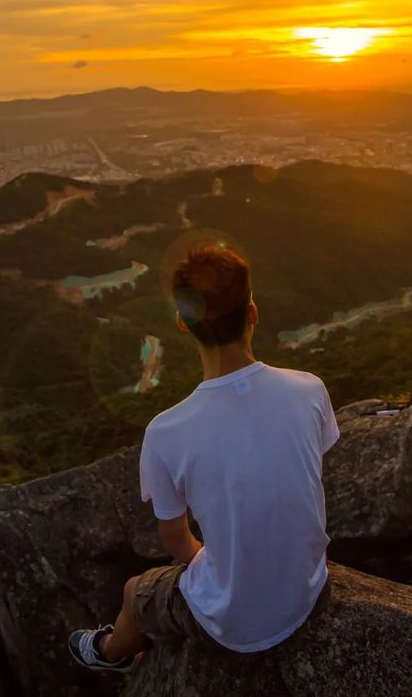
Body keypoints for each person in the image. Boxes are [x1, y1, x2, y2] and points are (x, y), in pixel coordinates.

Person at [68, 242, 340, 673]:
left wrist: (223, 568)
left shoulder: (166, 431)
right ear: (253, 313)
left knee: (136, 591)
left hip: (235, 622)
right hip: (309, 587)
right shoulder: (310, 388)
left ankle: (107, 652)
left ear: (182, 322)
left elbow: (175, 540)